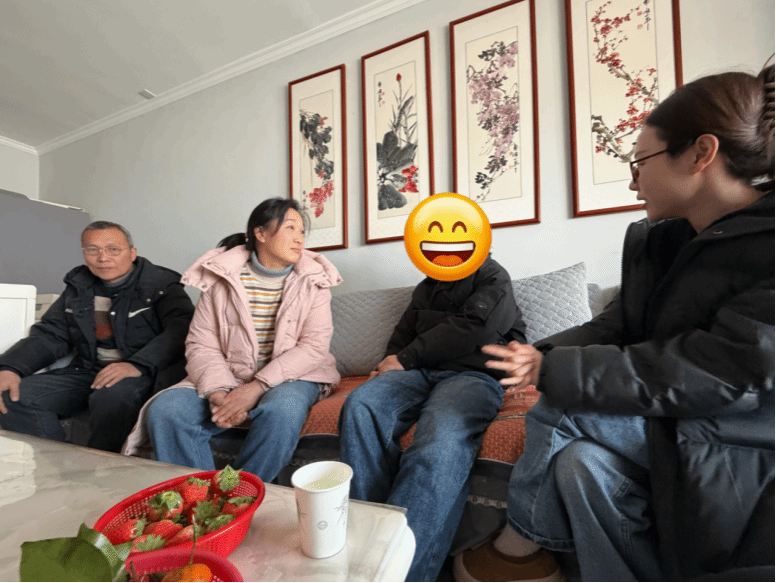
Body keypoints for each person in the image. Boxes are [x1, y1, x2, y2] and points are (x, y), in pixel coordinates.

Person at [455, 63, 776, 582]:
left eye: (640, 162)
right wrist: (538, 354)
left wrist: (555, 373)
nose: (632, 181)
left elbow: (724, 369)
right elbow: (619, 324)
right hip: (675, 418)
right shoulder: (665, 244)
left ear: (701, 153)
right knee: (578, 464)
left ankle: (517, 550)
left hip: (735, 439)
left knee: (562, 406)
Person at [338, 254, 528, 582]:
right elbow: (402, 336)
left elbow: (476, 328)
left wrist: (406, 357)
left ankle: (392, 570)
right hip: (419, 372)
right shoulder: (427, 287)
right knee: (360, 405)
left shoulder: (493, 277)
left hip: (472, 376)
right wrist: (387, 365)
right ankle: (369, 542)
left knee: (439, 440)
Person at [130, 198, 341, 483]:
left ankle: (237, 496)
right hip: (229, 374)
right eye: (290, 228)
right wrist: (218, 391)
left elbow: (313, 347)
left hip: (295, 375)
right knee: (166, 410)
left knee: (282, 411)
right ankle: (200, 498)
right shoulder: (221, 279)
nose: (299, 238)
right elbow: (201, 344)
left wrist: (256, 387)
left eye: (302, 231)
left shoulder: (315, 279)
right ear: (260, 233)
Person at [0, 221, 195, 453]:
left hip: (144, 372)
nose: (103, 258)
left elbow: (181, 331)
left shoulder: (161, 285)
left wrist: (138, 364)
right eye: (93, 250)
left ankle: (104, 466)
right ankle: (62, 464)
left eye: (113, 249)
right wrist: (11, 367)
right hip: (88, 369)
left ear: (132, 253)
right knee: (11, 396)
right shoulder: (78, 286)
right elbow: (52, 333)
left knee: (112, 398)